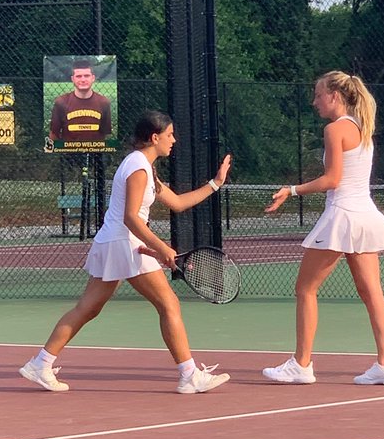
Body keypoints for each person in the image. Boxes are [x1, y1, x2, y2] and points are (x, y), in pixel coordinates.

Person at [20, 110, 231, 394]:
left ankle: (40, 363)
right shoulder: (137, 167)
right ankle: (190, 375)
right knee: (169, 305)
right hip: (122, 241)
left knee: (88, 309)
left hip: (117, 242)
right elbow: (131, 218)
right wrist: (162, 248)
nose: (174, 140)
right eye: (169, 135)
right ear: (154, 137)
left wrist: (215, 183)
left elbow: (178, 203)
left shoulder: (146, 167)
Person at [261, 71, 384, 387]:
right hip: (364, 215)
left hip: (344, 215)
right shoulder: (362, 127)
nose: (314, 101)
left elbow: (332, 180)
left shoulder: (335, 129)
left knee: (305, 288)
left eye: (318, 94)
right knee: (371, 292)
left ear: (335, 96)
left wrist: (292, 190)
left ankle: (301, 364)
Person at [48, 60, 113, 145]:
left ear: (93, 78)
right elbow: (54, 133)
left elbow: (105, 133)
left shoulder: (104, 102)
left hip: (95, 153)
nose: (83, 80)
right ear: (72, 79)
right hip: (69, 153)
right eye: (79, 76)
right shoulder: (61, 102)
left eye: (86, 76)